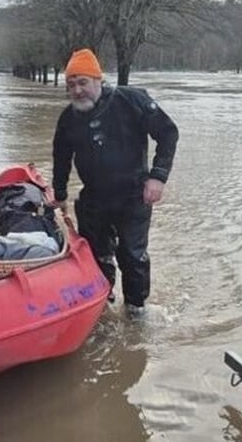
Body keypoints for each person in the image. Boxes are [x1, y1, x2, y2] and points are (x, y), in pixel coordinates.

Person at [51, 48, 178, 317]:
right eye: (71, 85)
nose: (77, 91)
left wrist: (157, 177)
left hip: (134, 195)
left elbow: (168, 133)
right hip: (94, 198)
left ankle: (135, 311)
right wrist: (59, 194)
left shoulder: (130, 100)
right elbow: (61, 157)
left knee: (132, 256)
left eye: (82, 82)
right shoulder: (68, 118)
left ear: (98, 80)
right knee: (96, 256)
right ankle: (102, 307)